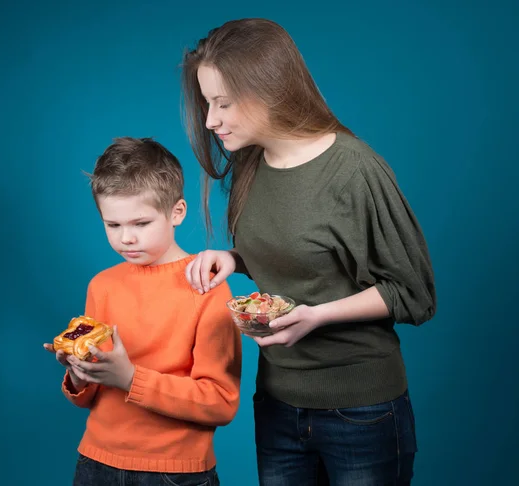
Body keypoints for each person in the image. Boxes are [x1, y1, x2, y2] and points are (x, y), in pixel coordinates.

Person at [181, 18, 436, 486]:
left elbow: (413, 293)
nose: (210, 120)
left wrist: (317, 315)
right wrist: (234, 259)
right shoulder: (251, 162)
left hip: (362, 410)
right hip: (278, 406)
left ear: (270, 89)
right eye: (206, 104)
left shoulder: (354, 169)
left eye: (223, 103)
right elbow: (293, 247)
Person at [43, 137, 242, 486]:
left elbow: (221, 402)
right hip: (96, 462)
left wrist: (131, 379)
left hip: (175, 471)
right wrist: (78, 373)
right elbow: (89, 397)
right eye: (113, 225)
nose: (126, 239)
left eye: (140, 223)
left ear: (176, 212)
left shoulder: (207, 287)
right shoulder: (101, 286)